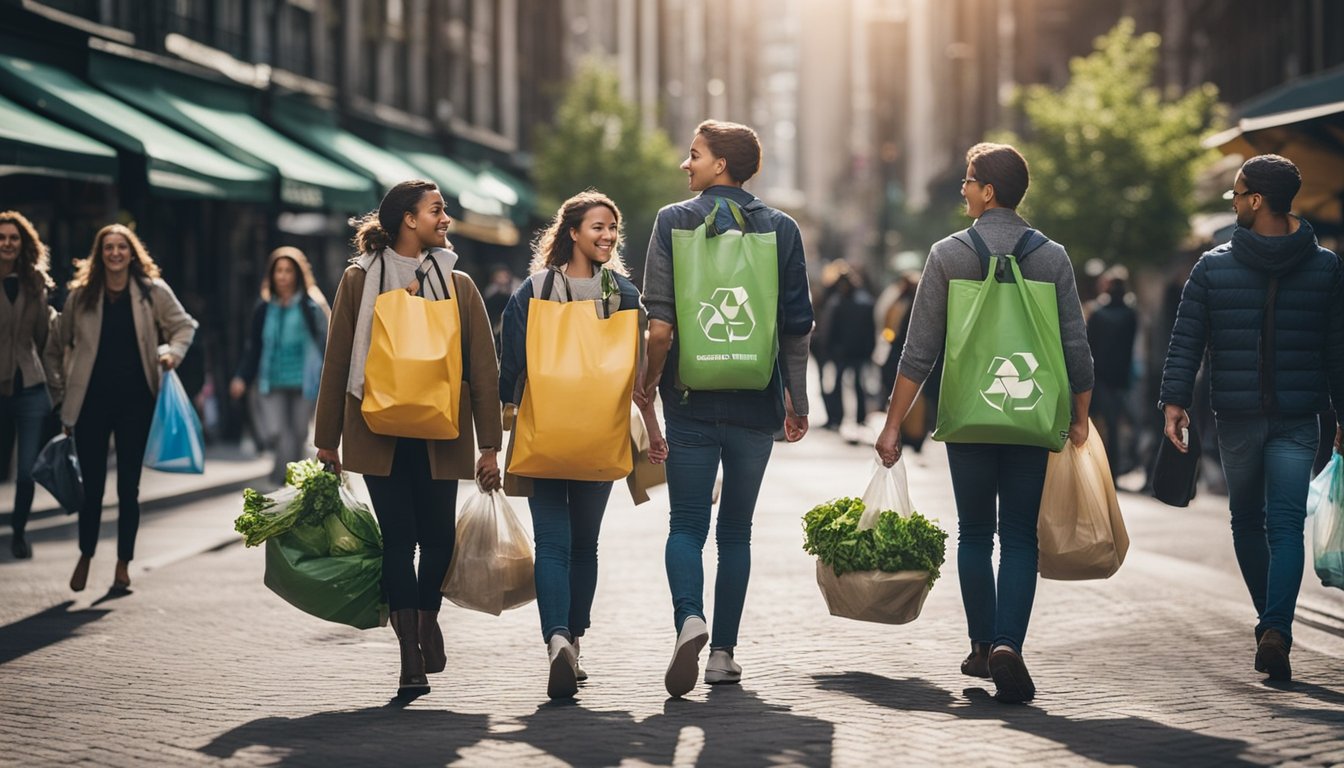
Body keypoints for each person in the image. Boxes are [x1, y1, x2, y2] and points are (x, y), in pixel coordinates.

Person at [875, 143, 1093, 704]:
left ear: (989, 190)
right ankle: (1007, 645)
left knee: (975, 532)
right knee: (1020, 535)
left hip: (969, 413)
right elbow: (1077, 351)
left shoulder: (949, 253)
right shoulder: (1052, 257)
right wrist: (1080, 420)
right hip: (1031, 415)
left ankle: (979, 644)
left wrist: (894, 424)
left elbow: (917, 352)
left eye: (969, 180)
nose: (964, 189)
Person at [640, 119, 814, 697]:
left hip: (689, 402)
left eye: (694, 154)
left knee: (686, 525)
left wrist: (648, 385)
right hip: (757, 403)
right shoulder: (783, 229)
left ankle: (689, 617)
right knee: (735, 530)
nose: (685, 165)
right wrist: (797, 398)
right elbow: (795, 327)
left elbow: (659, 326)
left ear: (720, 165)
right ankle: (722, 656)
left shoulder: (672, 221)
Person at [313, 179, 503, 698]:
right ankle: (408, 655)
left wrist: (490, 444)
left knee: (438, 538)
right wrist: (326, 439)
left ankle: (422, 622)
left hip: (441, 430)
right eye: (437, 210)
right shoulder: (358, 281)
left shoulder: (459, 284)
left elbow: (483, 369)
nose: (446, 219)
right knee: (400, 540)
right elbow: (336, 361)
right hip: (376, 428)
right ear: (407, 219)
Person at [1159, 154, 1344, 682]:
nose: (1234, 202)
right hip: (1297, 417)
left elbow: (1185, 340)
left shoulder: (1213, 266)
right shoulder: (1326, 266)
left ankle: (1271, 624)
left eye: (1237, 194)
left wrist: (1175, 403)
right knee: (1286, 525)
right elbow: (1338, 352)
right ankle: (1277, 629)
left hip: (1237, 416)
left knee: (1247, 521)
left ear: (1257, 200)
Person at [498, 190, 668, 699]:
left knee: (554, 543)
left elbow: (513, 367)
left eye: (613, 229)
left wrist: (504, 426)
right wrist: (651, 429)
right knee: (581, 545)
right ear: (571, 231)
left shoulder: (534, 290)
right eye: (598, 227)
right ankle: (571, 639)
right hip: (600, 434)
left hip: (546, 432)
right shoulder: (625, 296)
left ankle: (557, 641)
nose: (608, 236)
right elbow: (640, 377)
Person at [44, 224, 197, 593]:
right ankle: (86, 554)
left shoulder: (151, 291)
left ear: (132, 253)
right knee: (91, 489)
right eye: (108, 247)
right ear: (100, 254)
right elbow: (54, 347)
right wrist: (62, 397)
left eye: (121, 247)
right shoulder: (81, 296)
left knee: (129, 488)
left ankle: (123, 564)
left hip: (136, 402)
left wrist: (172, 354)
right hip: (90, 403)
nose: (115, 253)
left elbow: (184, 326)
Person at [230, 247, 331, 485]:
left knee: (297, 434)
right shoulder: (264, 308)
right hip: (272, 381)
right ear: (272, 275)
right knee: (278, 433)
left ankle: (285, 484)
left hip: (304, 382)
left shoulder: (311, 306)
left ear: (297, 274)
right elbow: (253, 347)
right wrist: (242, 377)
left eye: (288, 271)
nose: (283, 276)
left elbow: (326, 343)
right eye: (279, 271)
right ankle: (288, 481)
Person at [0, 211, 57, 559]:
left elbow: (44, 340)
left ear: (24, 244)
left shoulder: (35, 283)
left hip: (30, 386)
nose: (7, 243)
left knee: (25, 472)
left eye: (13, 238)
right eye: (2, 237)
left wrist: (59, 389)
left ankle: (19, 532)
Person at [1087, 266, 1138, 480]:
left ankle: (1096, 471)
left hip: (1099, 376)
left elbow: (1088, 345)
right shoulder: (1131, 315)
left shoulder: (1097, 314)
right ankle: (1113, 472)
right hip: (1121, 377)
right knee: (1115, 425)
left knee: (1097, 426)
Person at [819, 265, 876, 432]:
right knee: (855, 385)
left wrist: (828, 348)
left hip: (844, 352)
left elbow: (830, 328)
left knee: (843, 385)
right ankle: (857, 418)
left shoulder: (837, 302)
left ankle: (838, 418)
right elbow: (869, 330)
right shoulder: (863, 301)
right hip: (853, 351)